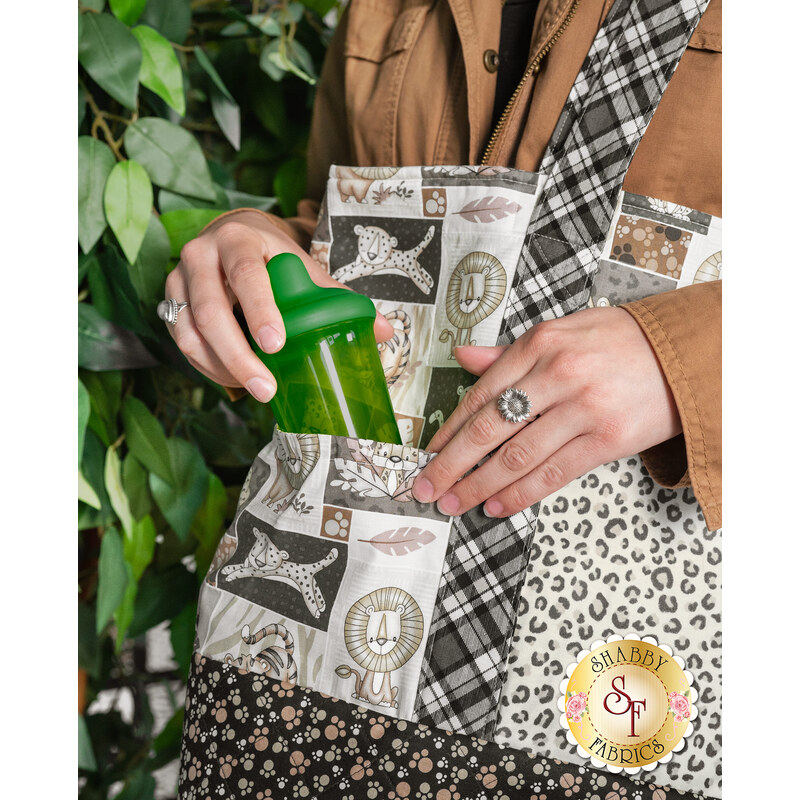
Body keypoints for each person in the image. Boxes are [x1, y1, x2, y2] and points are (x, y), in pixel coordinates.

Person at [164, 0, 721, 530]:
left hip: (639, 555)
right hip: (363, 554)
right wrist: (251, 254)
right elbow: (340, 237)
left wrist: (689, 360)